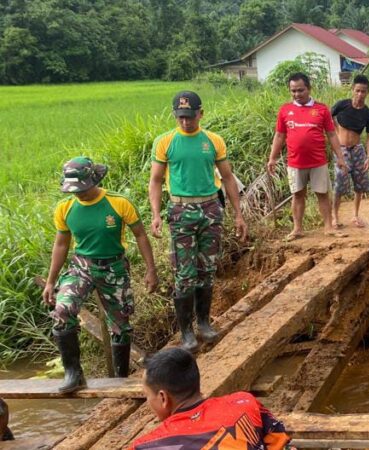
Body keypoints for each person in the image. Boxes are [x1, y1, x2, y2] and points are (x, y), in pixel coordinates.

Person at [42, 157, 158, 392]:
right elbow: (61, 245)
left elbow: (141, 235)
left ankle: (120, 377)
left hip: (113, 268)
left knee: (120, 325)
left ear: (93, 180)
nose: (79, 194)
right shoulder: (65, 208)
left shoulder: (118, 203)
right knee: (62, 310)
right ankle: (73, 373)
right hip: (81, 268)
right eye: (75, 190)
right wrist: (51, 281)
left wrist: (151, 270)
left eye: (83, 189)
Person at [149, 91, 247, 353]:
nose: (185, 122)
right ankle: (187, 331)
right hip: (181, 211)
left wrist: (238, 214)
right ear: (175, 116)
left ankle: (204, 322)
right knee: (184, 274)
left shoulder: (213, 141)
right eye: (180, 117)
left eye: (190, 117)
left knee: (207, 269)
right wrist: (156, 214)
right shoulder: (165, 142)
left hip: (210, 208)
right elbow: (156, 180)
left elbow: (227, 177)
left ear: (200, 114)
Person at [130, 348, 293, 449]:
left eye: (147, 395)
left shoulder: (147, 446)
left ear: (163, 397)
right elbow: (280, 442)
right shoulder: (244, 402)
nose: (148, 402)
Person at [267, 72, 349, 241]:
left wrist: (340, 157)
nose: (297, 94)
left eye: (301, 90)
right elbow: (280, 136)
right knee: (297, 195)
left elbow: (332, 135)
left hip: (318, 161)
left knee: (322, 194)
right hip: (295, 163)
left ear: (309, 88)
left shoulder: (321, 109)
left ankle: (328, 227)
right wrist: (272, 158)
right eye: (293, 91)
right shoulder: (285, 110)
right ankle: (297, 229)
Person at [330, 74, 369, 229]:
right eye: (357, 91)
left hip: (357, 150)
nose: (360, 95)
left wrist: (368, 156)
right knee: (339, 183)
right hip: (341, 149)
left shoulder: (368, 114)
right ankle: (335, 217)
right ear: (352, 89)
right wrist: (334, 132)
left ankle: (355, 216)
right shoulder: (342, 105)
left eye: (363, 92)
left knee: (360, 184)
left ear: (368, 92)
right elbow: (327, 118)